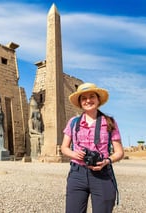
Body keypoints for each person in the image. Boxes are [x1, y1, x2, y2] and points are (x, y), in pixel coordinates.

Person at [61, 82, 124, 213]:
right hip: (77, 174)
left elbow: (119, 152)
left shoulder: (109, 122)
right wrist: (74, 154)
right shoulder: (73, 122)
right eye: (84, 98)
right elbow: (64, 148)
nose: (88, 100)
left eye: (91, 96)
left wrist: (107, 161)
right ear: (80, 102)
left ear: (98, 99)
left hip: (103, 173)